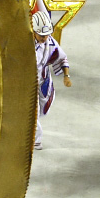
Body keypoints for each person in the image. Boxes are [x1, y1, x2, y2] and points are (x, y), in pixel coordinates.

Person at [32, 11, 71, 150]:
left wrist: (66, 76)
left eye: (47, 35)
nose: (44, 38)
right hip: (25, 82)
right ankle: (34, 138)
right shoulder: (24, 43)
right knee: (31, 111)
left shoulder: (50, 43)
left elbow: (62, 58)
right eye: (41, 36)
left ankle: (34, 138)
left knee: (37, 111)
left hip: (41, 81)